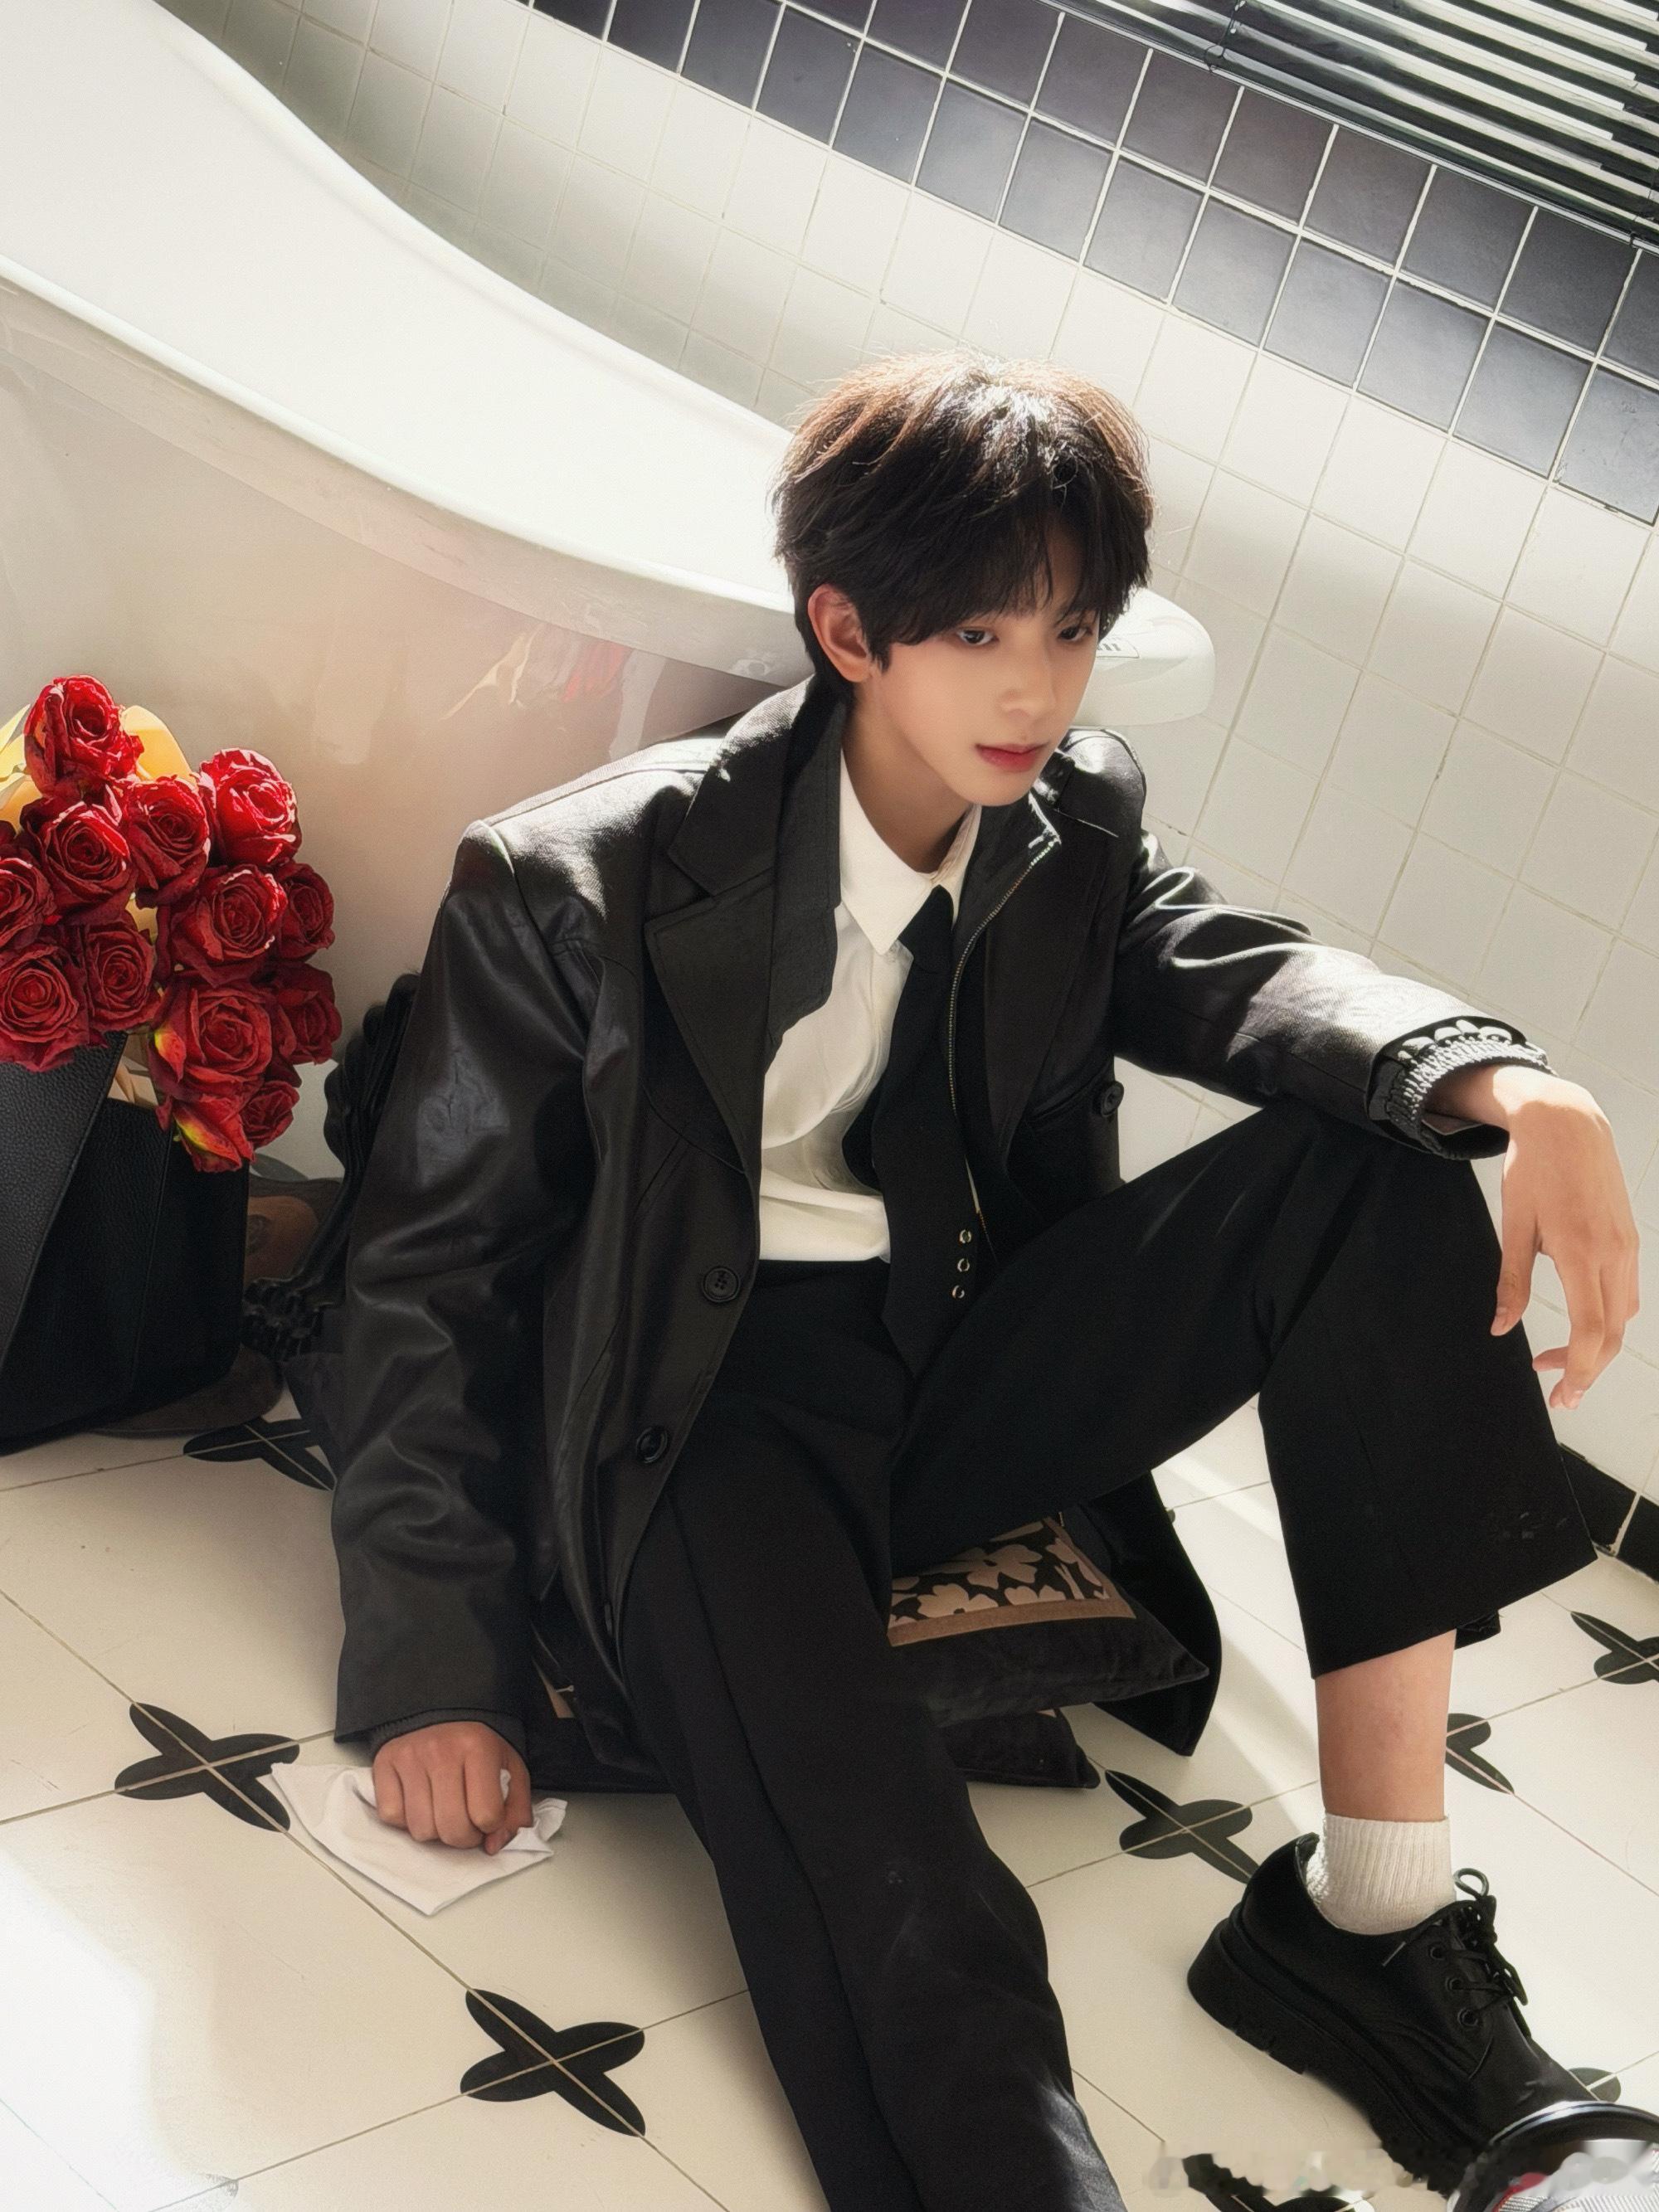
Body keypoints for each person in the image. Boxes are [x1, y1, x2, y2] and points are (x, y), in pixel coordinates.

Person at [329, 348, 1642, 2212]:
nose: (1036, 686)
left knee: (1384, 1159)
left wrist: (1504, 1080)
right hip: (694, 1415)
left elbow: (1235, 969)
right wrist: (436, 1667)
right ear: (847, 630)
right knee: (906, 1885)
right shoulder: (576, 884)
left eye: (1073, 628)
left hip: (945, 1344)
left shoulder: (1066, 822)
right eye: (978, 634)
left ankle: (1373, 1913)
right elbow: (426, 1281)